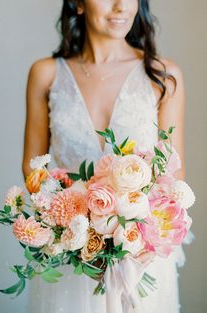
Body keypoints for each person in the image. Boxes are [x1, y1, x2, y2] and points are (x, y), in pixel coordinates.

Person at [22, 1, 186, 312]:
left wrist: (125, 234)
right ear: (78, 4)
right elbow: (33, 171)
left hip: (139, 256)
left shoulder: (163, 76)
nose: (120, 5)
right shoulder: (45, 74)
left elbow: (173, 175)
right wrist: (80, 230)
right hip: (69, 251)